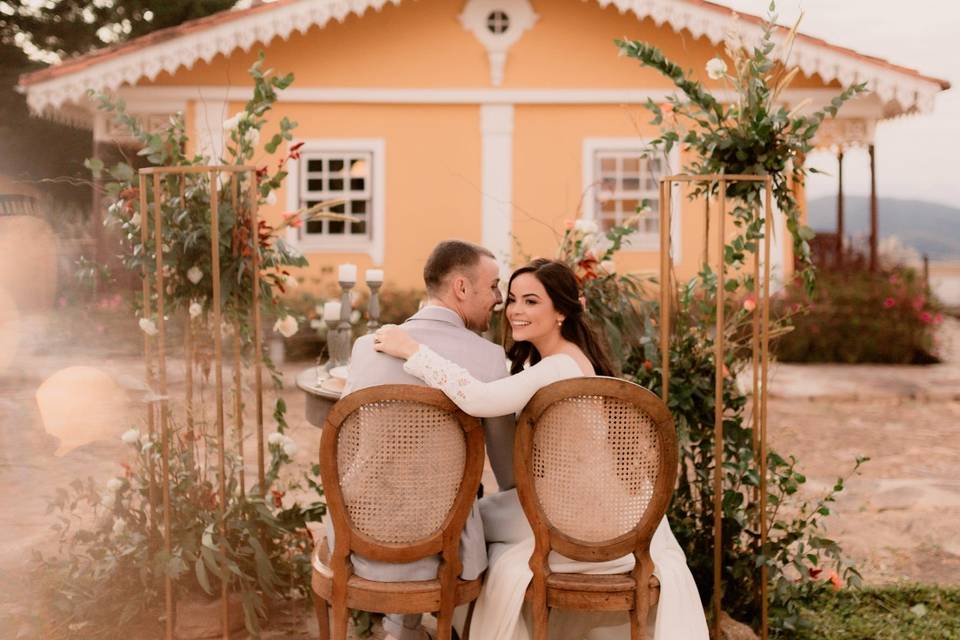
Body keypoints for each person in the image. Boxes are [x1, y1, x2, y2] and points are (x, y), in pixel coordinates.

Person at [374, 258, 709, 640]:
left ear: (562, 311)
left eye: (532, 301)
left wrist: (413, 350)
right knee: (464, 518)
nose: (515, 310)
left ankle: (412, 626)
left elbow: (480, 399)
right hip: (578, 501)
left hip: (579, 515)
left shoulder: (562, 365)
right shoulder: (553, 360)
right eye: (513, 298)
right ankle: (425, 623)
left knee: (454, 523)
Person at [331, 240, 516, 640]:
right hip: (446, 551)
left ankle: (403, 628)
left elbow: (344, 451)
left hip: (361, 540)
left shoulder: (367, 348)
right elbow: (508, 471)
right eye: (494, 286)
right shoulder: (488, 359)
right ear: (462, 289)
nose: (499, 299)